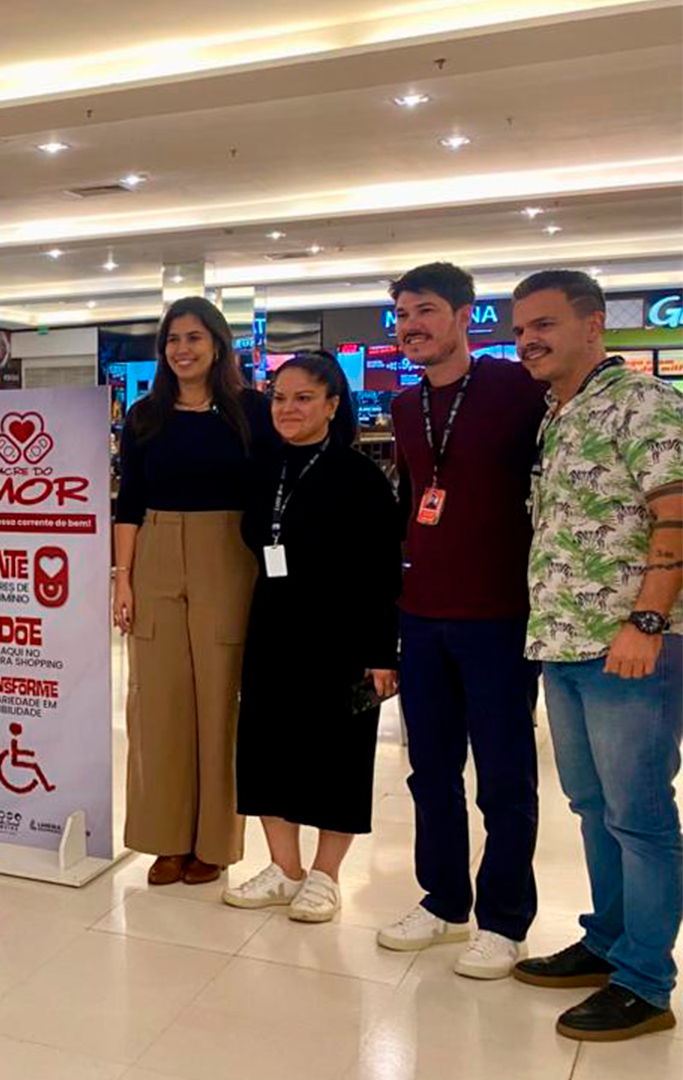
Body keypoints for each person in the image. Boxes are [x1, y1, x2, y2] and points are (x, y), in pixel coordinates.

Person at [508, 270, 683, 1042]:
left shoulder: (643, 403)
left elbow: (675, 514)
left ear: (593, 324)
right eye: (518, 330)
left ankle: (645, 980)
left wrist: (646, 622)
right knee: (592, 808)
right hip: (562, 640)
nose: (528, 341)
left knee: (641, 817)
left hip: (629, 648)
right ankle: (606, 941)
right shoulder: (559, 414)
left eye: (543, 324)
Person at [375, 263, 546, 979]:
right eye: (403, 314)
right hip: (423, 616)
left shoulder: (516, 389)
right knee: (429, 770)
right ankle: (444, 900)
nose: (412, 325)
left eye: (426, 310)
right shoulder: (406, 405)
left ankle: (504, 921)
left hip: (499, 616)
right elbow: (415, 499)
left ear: (465, 316)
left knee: (504, 776)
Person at [223, 353, 401, 922]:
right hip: (274, 624)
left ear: (331, 405)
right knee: (266, 743)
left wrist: (381, 653)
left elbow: (381, 570)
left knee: (338, 753)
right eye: (279, 397)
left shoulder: (359, 477)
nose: (288, 408)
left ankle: (325, 875)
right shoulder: (262, 466)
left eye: (303, 398)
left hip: (342, 636)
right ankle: (283, 867)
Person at [112, 296, 277, 886]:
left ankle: (215, 843)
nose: (182, 350)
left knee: (219, 699)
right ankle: (164, 839)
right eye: (172, 340)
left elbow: (270, 495)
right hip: (155, 551)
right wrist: (122, 579)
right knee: (156, 703)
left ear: (217, 345)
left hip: (228, 555)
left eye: (193, 338)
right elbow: (128, 501)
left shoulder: (252, 412)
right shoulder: (144, 416)